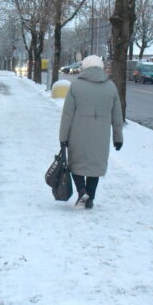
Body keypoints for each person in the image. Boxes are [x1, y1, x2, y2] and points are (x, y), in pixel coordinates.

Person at [58, 55, 124, 210]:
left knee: (76, 163)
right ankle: (90, 198)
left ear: (84, 68)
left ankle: (82, 191)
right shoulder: (111, 87)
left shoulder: (76, 86)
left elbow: (67, 115)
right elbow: (117, 115)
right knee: (95, 165)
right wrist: (118, 138)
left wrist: (63, 137)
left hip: (77, 134)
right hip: (101, 136)